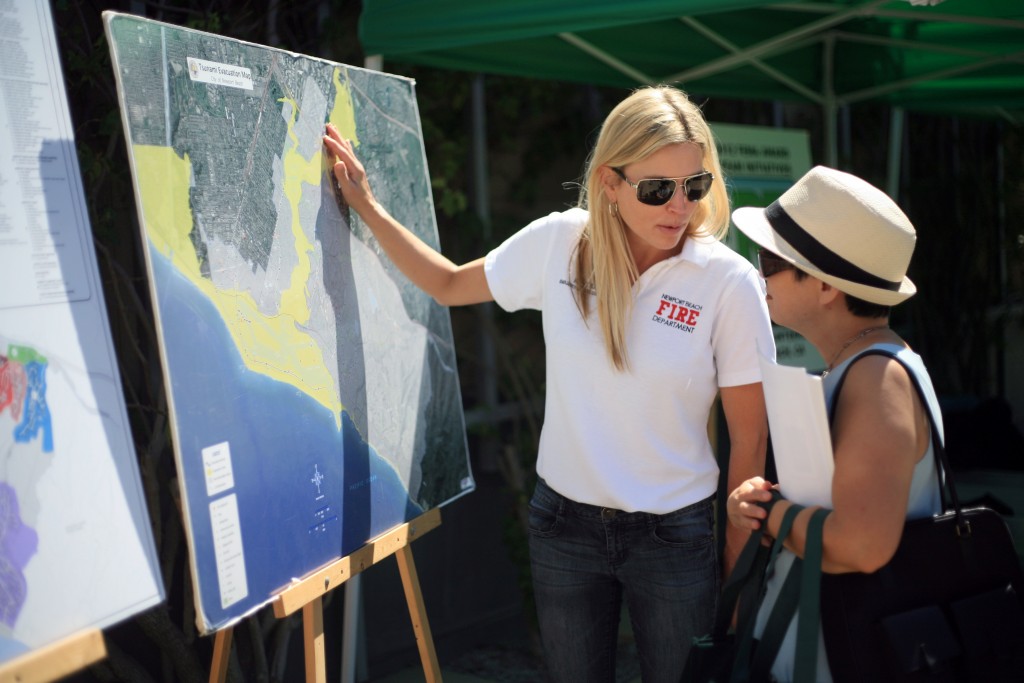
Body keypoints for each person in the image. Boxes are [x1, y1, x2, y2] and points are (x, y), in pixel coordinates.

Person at [323, 85, 774, 682]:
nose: (679, 207)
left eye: (695, 186)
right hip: (564, 527)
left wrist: (736, 571)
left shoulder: (729, 282)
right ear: (609, 183)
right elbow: (450, 285)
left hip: (674, 536)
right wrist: (367, 207)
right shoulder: (561, 242)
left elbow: (750, 443)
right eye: (658, 189)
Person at [726, 166, 942, 682]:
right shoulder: (868, 365)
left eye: (771, 260)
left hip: (841, 652)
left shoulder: (876, 378)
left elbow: (862, 544)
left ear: (824, 286)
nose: (760, 273)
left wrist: (767, 512)